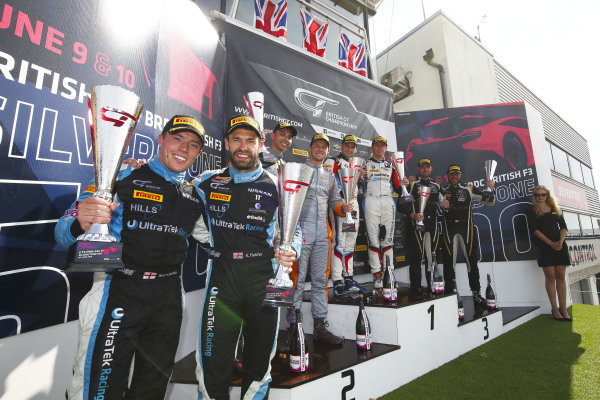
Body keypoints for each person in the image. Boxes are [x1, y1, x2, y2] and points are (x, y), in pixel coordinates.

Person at [55, 115, 207, 400]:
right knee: (97, 387)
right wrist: (81, 221)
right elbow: (62, 233)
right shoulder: (122, 175)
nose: (184, 148)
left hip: (168, 296)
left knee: (152, 388)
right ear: (161, 140)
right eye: (177, 138)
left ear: (198, 153)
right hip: (118, 289)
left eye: (193, 144)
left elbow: (218, 239)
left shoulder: (195, 195)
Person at [194, 114, 301, 399]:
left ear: (260, 144)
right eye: (237, 139)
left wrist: (291, 250)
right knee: (212, 364)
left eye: (250, 140)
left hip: (262, 279)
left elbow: (294, 230)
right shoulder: (206, 183)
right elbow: (185, 215)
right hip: (222, 279)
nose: (243, 146)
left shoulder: (277, 185)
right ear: (227, 143)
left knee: (258, 366)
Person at [288, 133, 350, 344]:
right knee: (296, 281)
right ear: (310, 148)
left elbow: (336, 203)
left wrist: (345, 208)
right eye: (317, 145)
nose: (320, 149)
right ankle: (293, 327)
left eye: (324, 147)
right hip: (300, 234)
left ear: (327, 151)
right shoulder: (299, 171)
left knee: (321, 281)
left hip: (323, 236)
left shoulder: (330, 175)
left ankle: (320, 326)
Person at [441, 165, 495, 309]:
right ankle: (450, 293)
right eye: (451, 174)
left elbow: (490, 201)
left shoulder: (468, 188)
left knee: (472, 262)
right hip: (449, 230)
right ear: (447, 175)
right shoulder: (442, 190)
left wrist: (491, 188)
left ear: (460, 175)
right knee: (448, 263)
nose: (454, 176)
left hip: (467, 230)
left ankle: (476, 293)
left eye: (457, 174)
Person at [323, 134, 369, 298]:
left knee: (350, 242)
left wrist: (362, 177)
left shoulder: (355, 164)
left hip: (354, 204)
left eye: (353, 146)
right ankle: (337, 280)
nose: (350, 149)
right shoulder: (333, 161)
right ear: (341, 146)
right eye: (347, 146)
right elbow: (326, 183)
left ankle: (348, 277)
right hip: (341, 204)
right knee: (339, 243)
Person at [362, 136, 401, 288]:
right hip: (371, 201)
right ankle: (377, 275)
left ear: (386, 148)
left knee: (388, 241)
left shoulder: (391, 165)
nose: (379, 148)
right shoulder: (365, 164)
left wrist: (404, 183)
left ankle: (389, 273)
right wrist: (359, 177)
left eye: (382, 146)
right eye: (377, 146)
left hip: (387, 201)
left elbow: (398, 187)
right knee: (373, 240)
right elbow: (356, 183)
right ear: (372, 148)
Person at [404, 158, 445, 295]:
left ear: (431, 168)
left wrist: (446, 204)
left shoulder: (437, 186)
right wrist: (412, 215)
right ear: (418, 169)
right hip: (417, 226)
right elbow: (401, 204)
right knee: (416, 258)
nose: (425, 169)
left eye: (427, 167)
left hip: (432, 226)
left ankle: (431, 287)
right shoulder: (412, 185)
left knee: (431, 258)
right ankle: (415, 289)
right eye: (422, 167)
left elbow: (443, 203)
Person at [530, 185, 571, 321]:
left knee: (560, 276)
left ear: (547, 195)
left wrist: (560, 241)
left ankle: (563, 309)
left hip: (560, 246)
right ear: (534, 196)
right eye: (537, 195)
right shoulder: (533, 210)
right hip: (545, 247)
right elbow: (535, 231)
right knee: (551, 277)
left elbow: (563, 227)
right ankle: (554, 309)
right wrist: (551, 243)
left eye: (543, 194)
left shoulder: (555, 209)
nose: (540, 197)